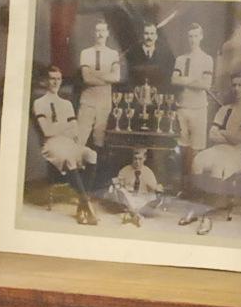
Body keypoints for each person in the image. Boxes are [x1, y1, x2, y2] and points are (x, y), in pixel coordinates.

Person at [33, 66, 99, 223]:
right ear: (45, 81)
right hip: (51, 145)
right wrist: (65, 127)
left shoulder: (67, 104)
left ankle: (82, 205)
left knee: (91, 154)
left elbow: (75, 132)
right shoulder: (39, 103)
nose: (55, 82)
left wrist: (63, 129)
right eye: (52, 79)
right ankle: (87, 206)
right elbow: (47, 131)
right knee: (69, 157)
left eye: (58, 79)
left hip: (68, 143)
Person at [193, 69, 241, 179]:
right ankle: (197, 194)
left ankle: (212, 195)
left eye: (240, 85)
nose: (236, 89)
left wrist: (222, 132)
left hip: (235, 154)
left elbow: (240, 139)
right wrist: (231, 136)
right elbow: (212, 135)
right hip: (217, 149)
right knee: (198, 160)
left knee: (218, 166)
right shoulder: (224, 109)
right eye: (234, 85)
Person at [80, 19, 125, 149]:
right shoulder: (86, 52)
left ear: (107, 33)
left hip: (105, 101)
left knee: (99, 139)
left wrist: (95, 76)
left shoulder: (113, 54)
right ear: (94, 33)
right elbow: (86, 78)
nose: (100, 34)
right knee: (81, 137)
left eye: (103, 31)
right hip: (88, 100)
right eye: (97, 30)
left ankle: (95, 168)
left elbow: (116, 77)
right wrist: (106, 78)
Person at [172, 24, 215, 154]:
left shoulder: (207, 59)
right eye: (190, 36)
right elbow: (174, 80)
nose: (192, 39)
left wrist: (184, 80)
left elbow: (206, 85)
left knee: (196, 149)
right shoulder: (180, 59)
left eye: (196, 36)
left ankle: (195, 175)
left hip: (199, 109)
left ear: (201, 37)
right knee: (181, 148)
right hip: (182, 107)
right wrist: (195, 80)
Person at [109, 148, 164, 225]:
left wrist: (158, 189)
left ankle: (132, 213)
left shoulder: (148, 172)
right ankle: (137, 214)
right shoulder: (125, 170)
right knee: (120, 191)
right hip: (129, 199)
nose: (137, 162)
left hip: (142, 200)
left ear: (144, 159)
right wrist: (117, 185)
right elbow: (118, 185)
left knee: (157, 198)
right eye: (135, 159)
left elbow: (155, 188)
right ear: (132, 159)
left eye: (140, 159)